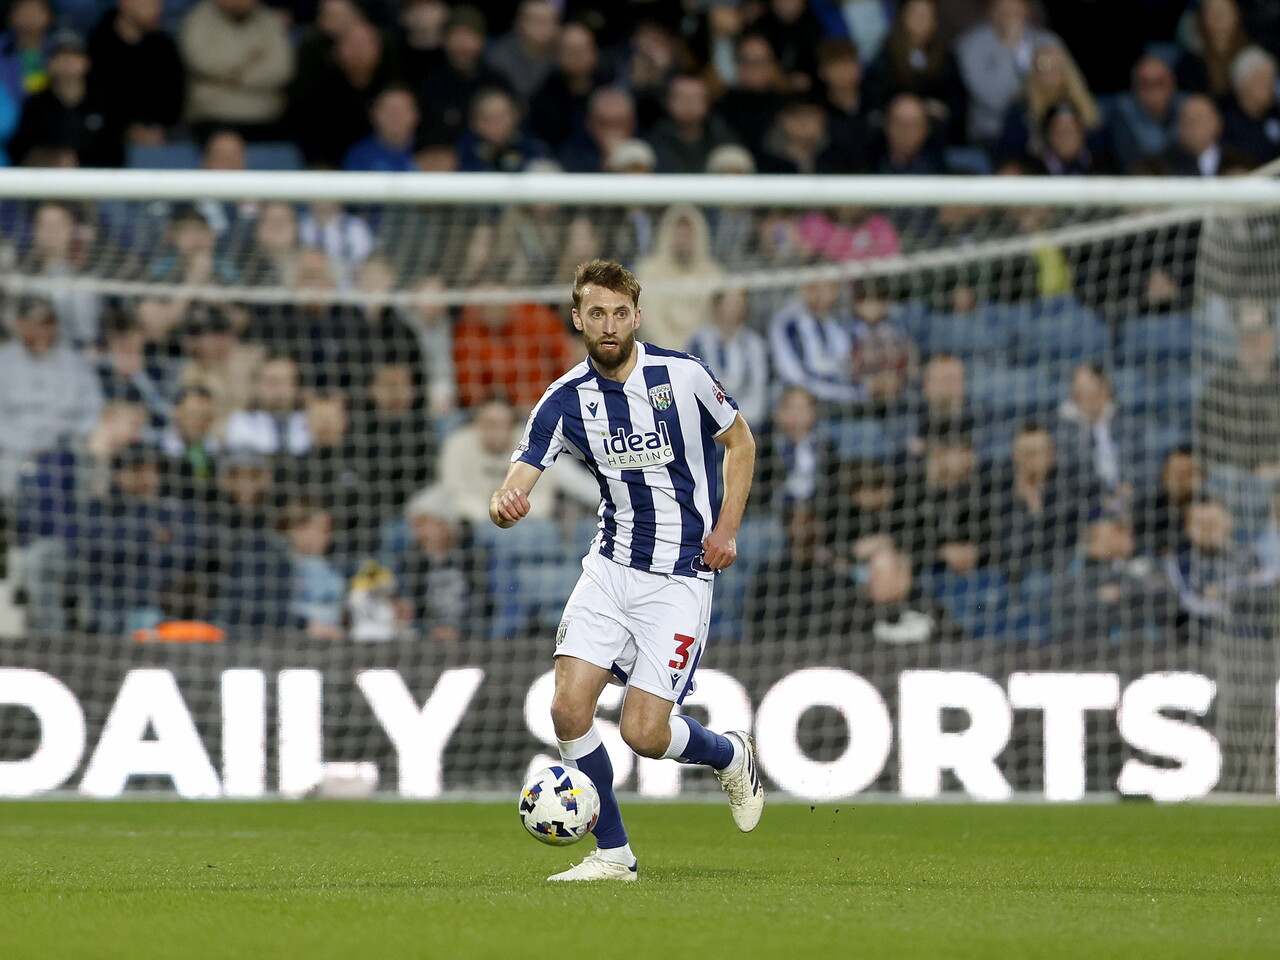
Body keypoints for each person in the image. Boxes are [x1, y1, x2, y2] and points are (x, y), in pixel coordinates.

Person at [489, 258, 762, 882]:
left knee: (644, 733)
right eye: (596, 313)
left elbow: (740, 441)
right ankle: (614, 854)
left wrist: (726, 529)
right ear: (578, 318)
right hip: (610, 569)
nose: (608, 325)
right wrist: (506, 506)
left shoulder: (683, 375)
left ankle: (728, 753)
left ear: (636, 317)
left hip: (680, 576)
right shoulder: (563, 401)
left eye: (619, 313)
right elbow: (513, 487)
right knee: (567, 710)